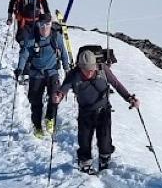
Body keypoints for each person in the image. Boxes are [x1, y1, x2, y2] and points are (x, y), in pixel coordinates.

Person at [53, 46, 137, 174]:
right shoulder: (74, 75)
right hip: (85, 112)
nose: (90, 72)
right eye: (86, 70)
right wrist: (58, 96)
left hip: (103, 110)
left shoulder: (103, 69)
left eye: (92, 69)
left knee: (105, 140)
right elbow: (64, 88)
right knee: (84, 140)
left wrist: (129, 98)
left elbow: (116, 84)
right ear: (80, 67)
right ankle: (85, 163)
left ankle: (104, 159)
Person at [15, 14, 68, 138]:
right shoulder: (31, 38)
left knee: (55, 97)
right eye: (42, 25)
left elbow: (64, 53)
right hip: (36, 73)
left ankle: (50, 118)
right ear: (38, 25)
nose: (45, 28)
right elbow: (24, 54)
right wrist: (20, 69)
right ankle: (37, 126)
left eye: (47, 25)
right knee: (35, 101)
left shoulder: (56, 37)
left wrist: (66, 68)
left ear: (51, 25)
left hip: (52, 73)